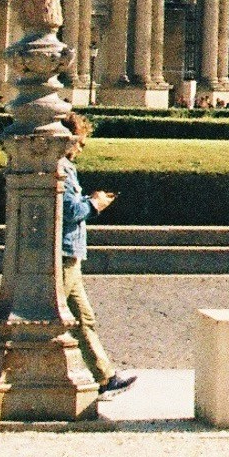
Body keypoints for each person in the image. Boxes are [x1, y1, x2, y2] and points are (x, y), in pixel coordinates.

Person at [62, 124, 131, 399]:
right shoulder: (63, 168)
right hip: (65, 253)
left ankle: (105, 378)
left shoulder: (67, 168)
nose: (82, 147)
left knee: (83, 318)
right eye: (80, 141)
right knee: (48, 317)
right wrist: (94, 204)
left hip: (71, 253)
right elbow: (69, 211)